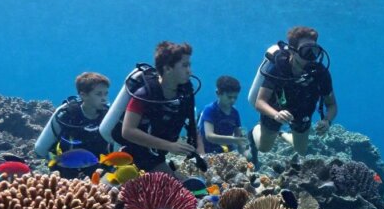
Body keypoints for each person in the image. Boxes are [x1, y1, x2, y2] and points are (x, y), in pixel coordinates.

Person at [108, 41, 203, 175]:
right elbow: (127, 131)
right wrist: (170, 146)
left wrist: (201, 154)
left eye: (189, 65)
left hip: (155, 157)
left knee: (186, 190)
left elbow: (192, 126)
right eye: (184, 65)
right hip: (129, 157)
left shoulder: (185, 94)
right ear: (168, 68)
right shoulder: (144, 94)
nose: (189, 71)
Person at [248, 26, 338, 159]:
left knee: (301, 151)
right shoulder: (279, 68)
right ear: (292, 51)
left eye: (315, 51)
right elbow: (260, 102)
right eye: (306, 51)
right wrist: (276, 114)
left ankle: (282, 134)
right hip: (275, 108)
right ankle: (256, 129)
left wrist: (327, 121)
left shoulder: (321, 73)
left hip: (302, 110)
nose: (311, 57)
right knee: (264, 148)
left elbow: (332, 105)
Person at [34, 72, 111, 178]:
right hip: (65, 176)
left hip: (100, 175)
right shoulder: (66, 114)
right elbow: (40, 149)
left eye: (106, 93)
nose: (104, 99)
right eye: (99, 94)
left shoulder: (109, 116)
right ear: (83, 95)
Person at [199, 75, 249, 155]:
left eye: (235, 97)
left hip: (226, 152)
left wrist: (246, 154)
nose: (232, 100)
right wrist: (233, 140)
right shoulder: (209, 110)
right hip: (206, 151)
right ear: (218, 93)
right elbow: (209, 136)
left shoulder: (235, 113)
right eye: (229, 97)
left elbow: (239, 136)